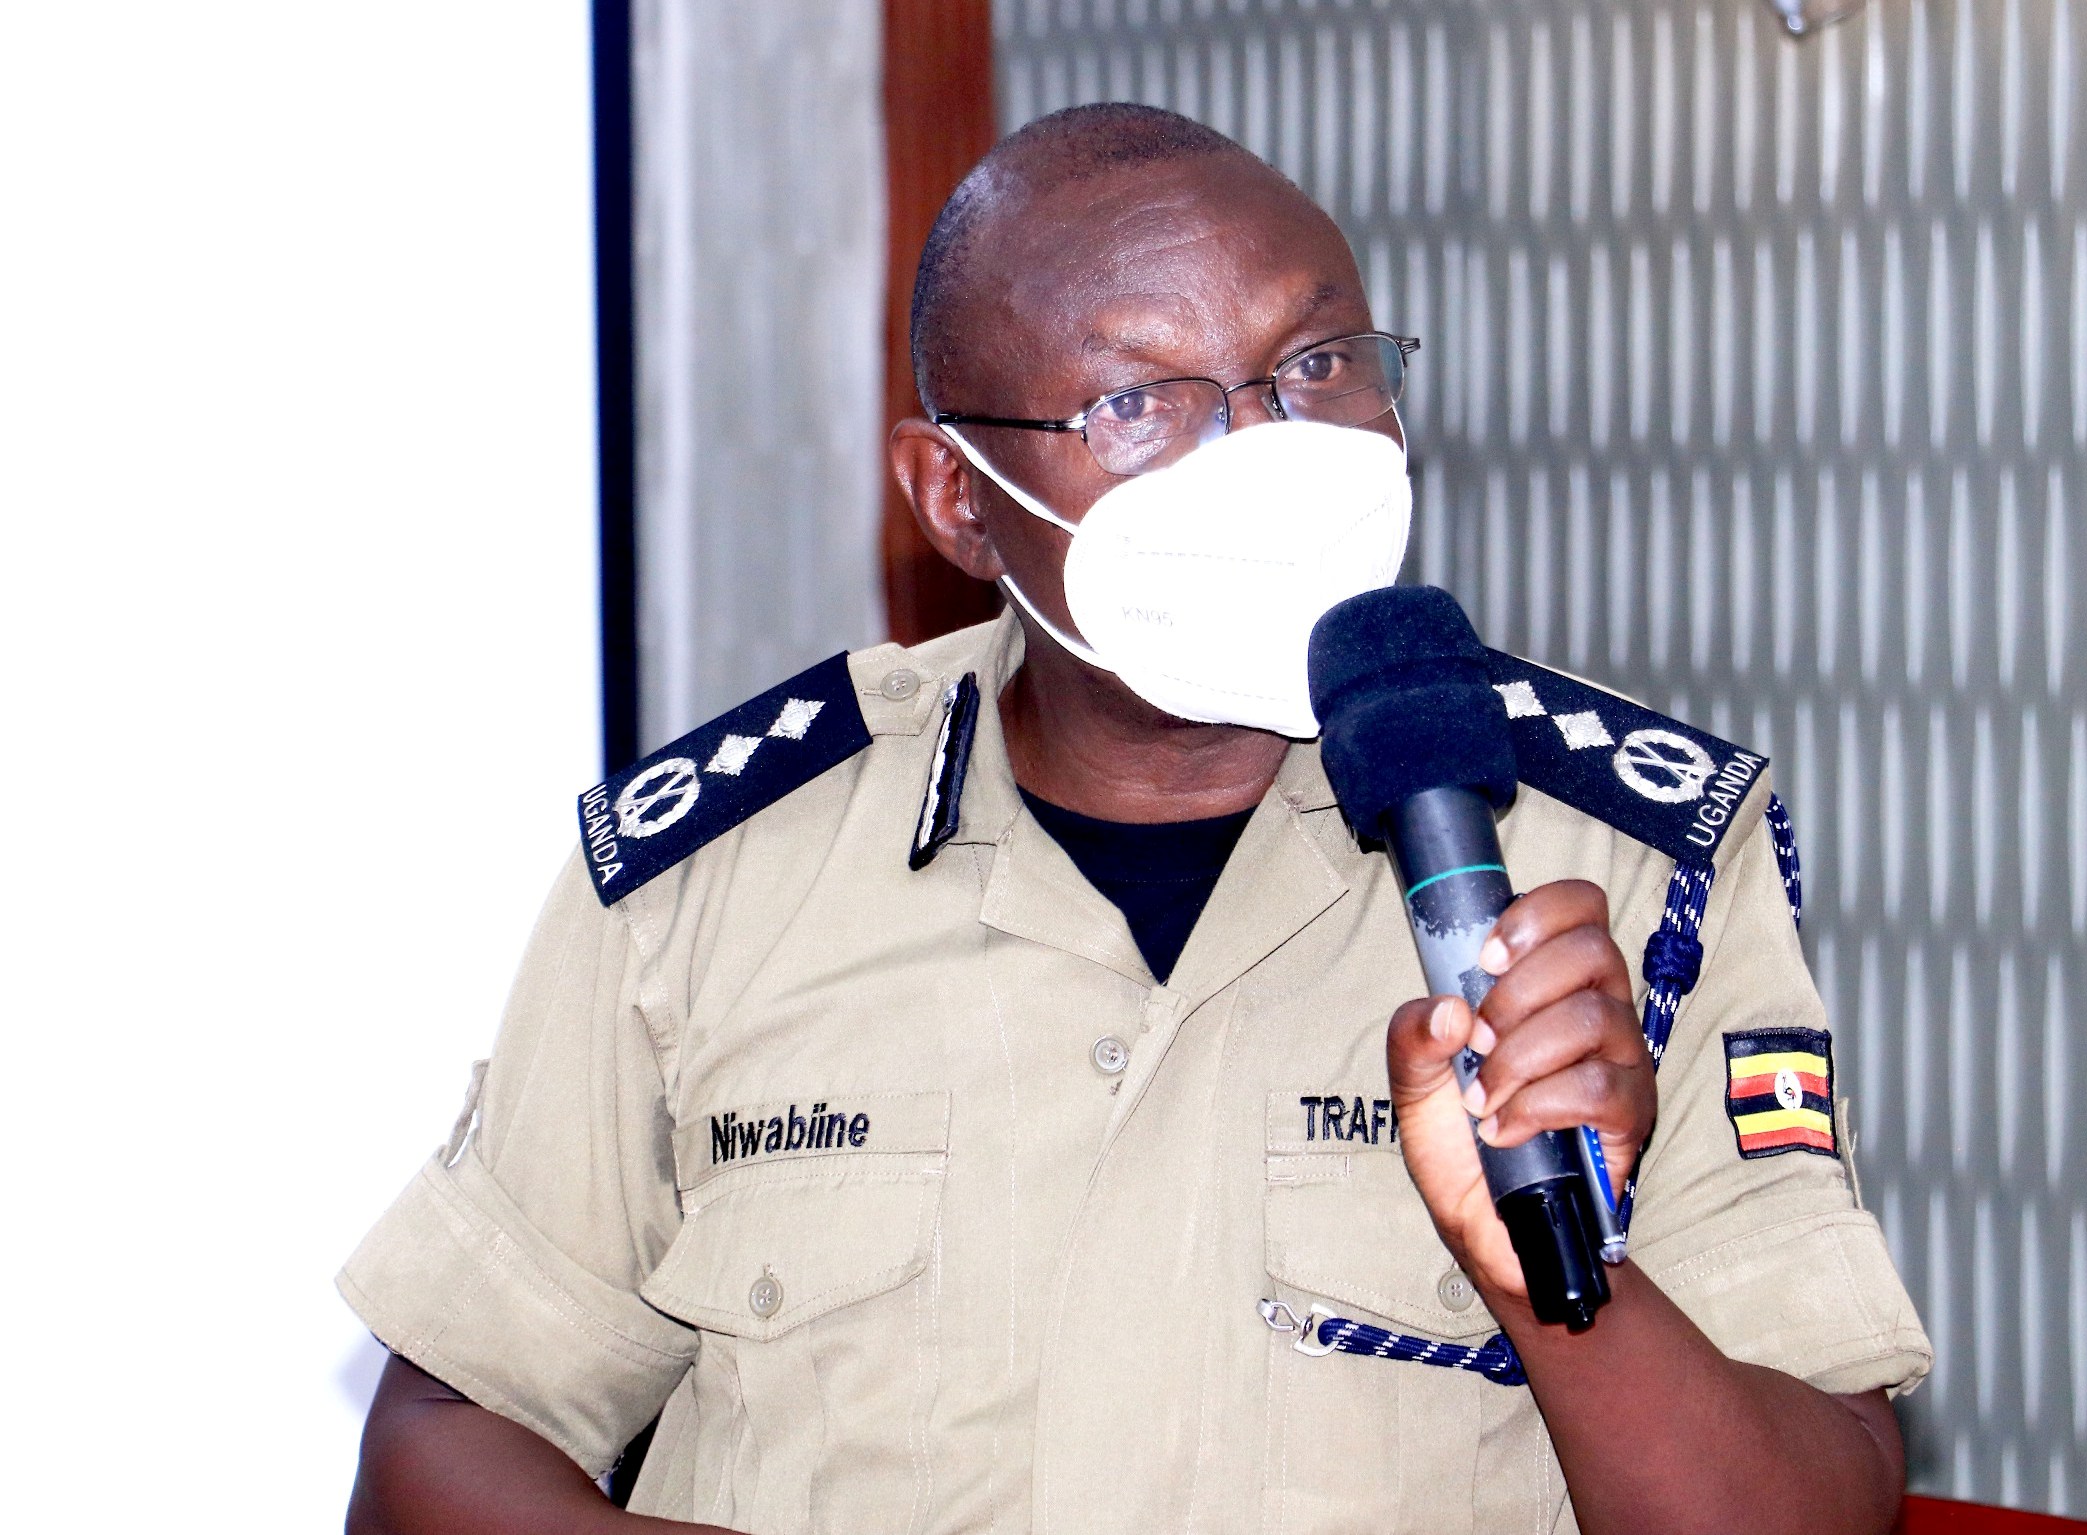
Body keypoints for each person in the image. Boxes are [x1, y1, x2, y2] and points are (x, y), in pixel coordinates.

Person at [342, 103, 1928, 1535]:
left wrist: (1560, 1286)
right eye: (1141, 402)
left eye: (1319, 366)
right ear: (958, 499)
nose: (1269, 453)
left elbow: (1818, 1515)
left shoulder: (1623, 865)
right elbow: (441, 1446)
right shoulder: (713, 879)